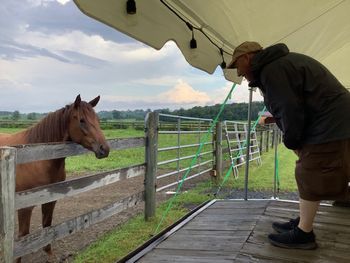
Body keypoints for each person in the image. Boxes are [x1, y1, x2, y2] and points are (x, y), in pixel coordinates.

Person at [227, 41, 350, 249]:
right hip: (336, 121)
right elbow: (297, 102)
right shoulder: (280, 64)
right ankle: (304, 221)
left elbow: (289, 108)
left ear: (247, 58)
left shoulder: (272, 70)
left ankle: (304, 233)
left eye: (237, 66)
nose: (239, 73)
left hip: (330, 124)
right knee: (313, 171)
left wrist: (292, 140)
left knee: (307, 171)